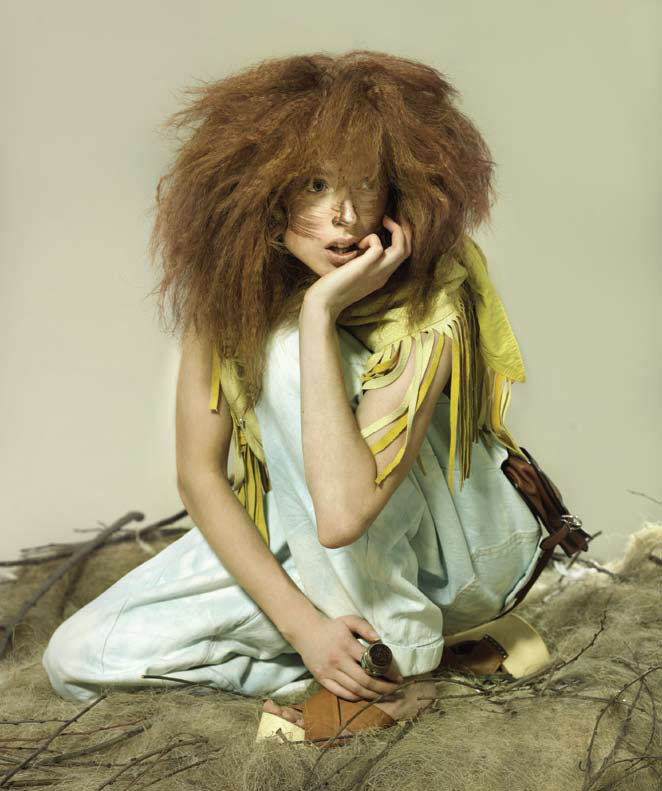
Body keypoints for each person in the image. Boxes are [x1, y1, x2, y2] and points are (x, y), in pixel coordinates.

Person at [42, 50, 544, 738]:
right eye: (315, 184)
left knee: (280, 346)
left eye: (365, 184)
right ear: (267, 193)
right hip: (295, 529)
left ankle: (393, 668)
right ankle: (365, 656)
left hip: (455, 548)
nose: (345, 215)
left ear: (397, 193)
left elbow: (343, 512)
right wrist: (302, 627)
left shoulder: (435, 300)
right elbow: (200, 475)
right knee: (79, 657)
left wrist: (317, 314)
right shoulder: (230, 291)